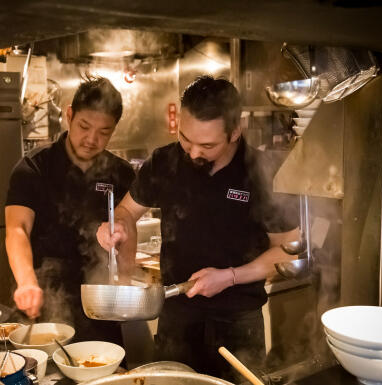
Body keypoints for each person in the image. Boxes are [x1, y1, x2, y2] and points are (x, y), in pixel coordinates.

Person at [97, 76, 299, 380]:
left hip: (238, 322)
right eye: (185, 139)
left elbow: (288, 251)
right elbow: (126, 210)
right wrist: (118, 226)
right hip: (176, 314)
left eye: (207, 145)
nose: (192, 153)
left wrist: (229, 277)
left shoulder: (262, 172)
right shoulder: (164, 162)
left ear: (235, 131)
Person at [5, 76, 135, 345]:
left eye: (104, 132)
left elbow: (127, 228)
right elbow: (17, 228)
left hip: (100, 307)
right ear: (69, 115)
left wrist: (124, 280)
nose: (92, 139)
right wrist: (27, 282)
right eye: (84, 126)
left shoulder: (121, 173)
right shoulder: (35, 167)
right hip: (42, 300)